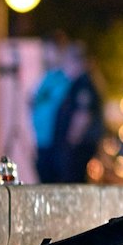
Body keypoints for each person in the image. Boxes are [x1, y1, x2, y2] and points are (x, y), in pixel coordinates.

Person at [46, 42, 103, 184]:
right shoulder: (81, 82)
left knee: (71, 182)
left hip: (77, 148)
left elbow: (82, 115)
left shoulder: (83, 83)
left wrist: (71, 142)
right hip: (75, 147)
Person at [29, 35, 70, 181]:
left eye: (51, 50)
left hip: (56, 141)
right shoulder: (45, 76)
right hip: (41, 139)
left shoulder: (66, 77)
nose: (47, 54)